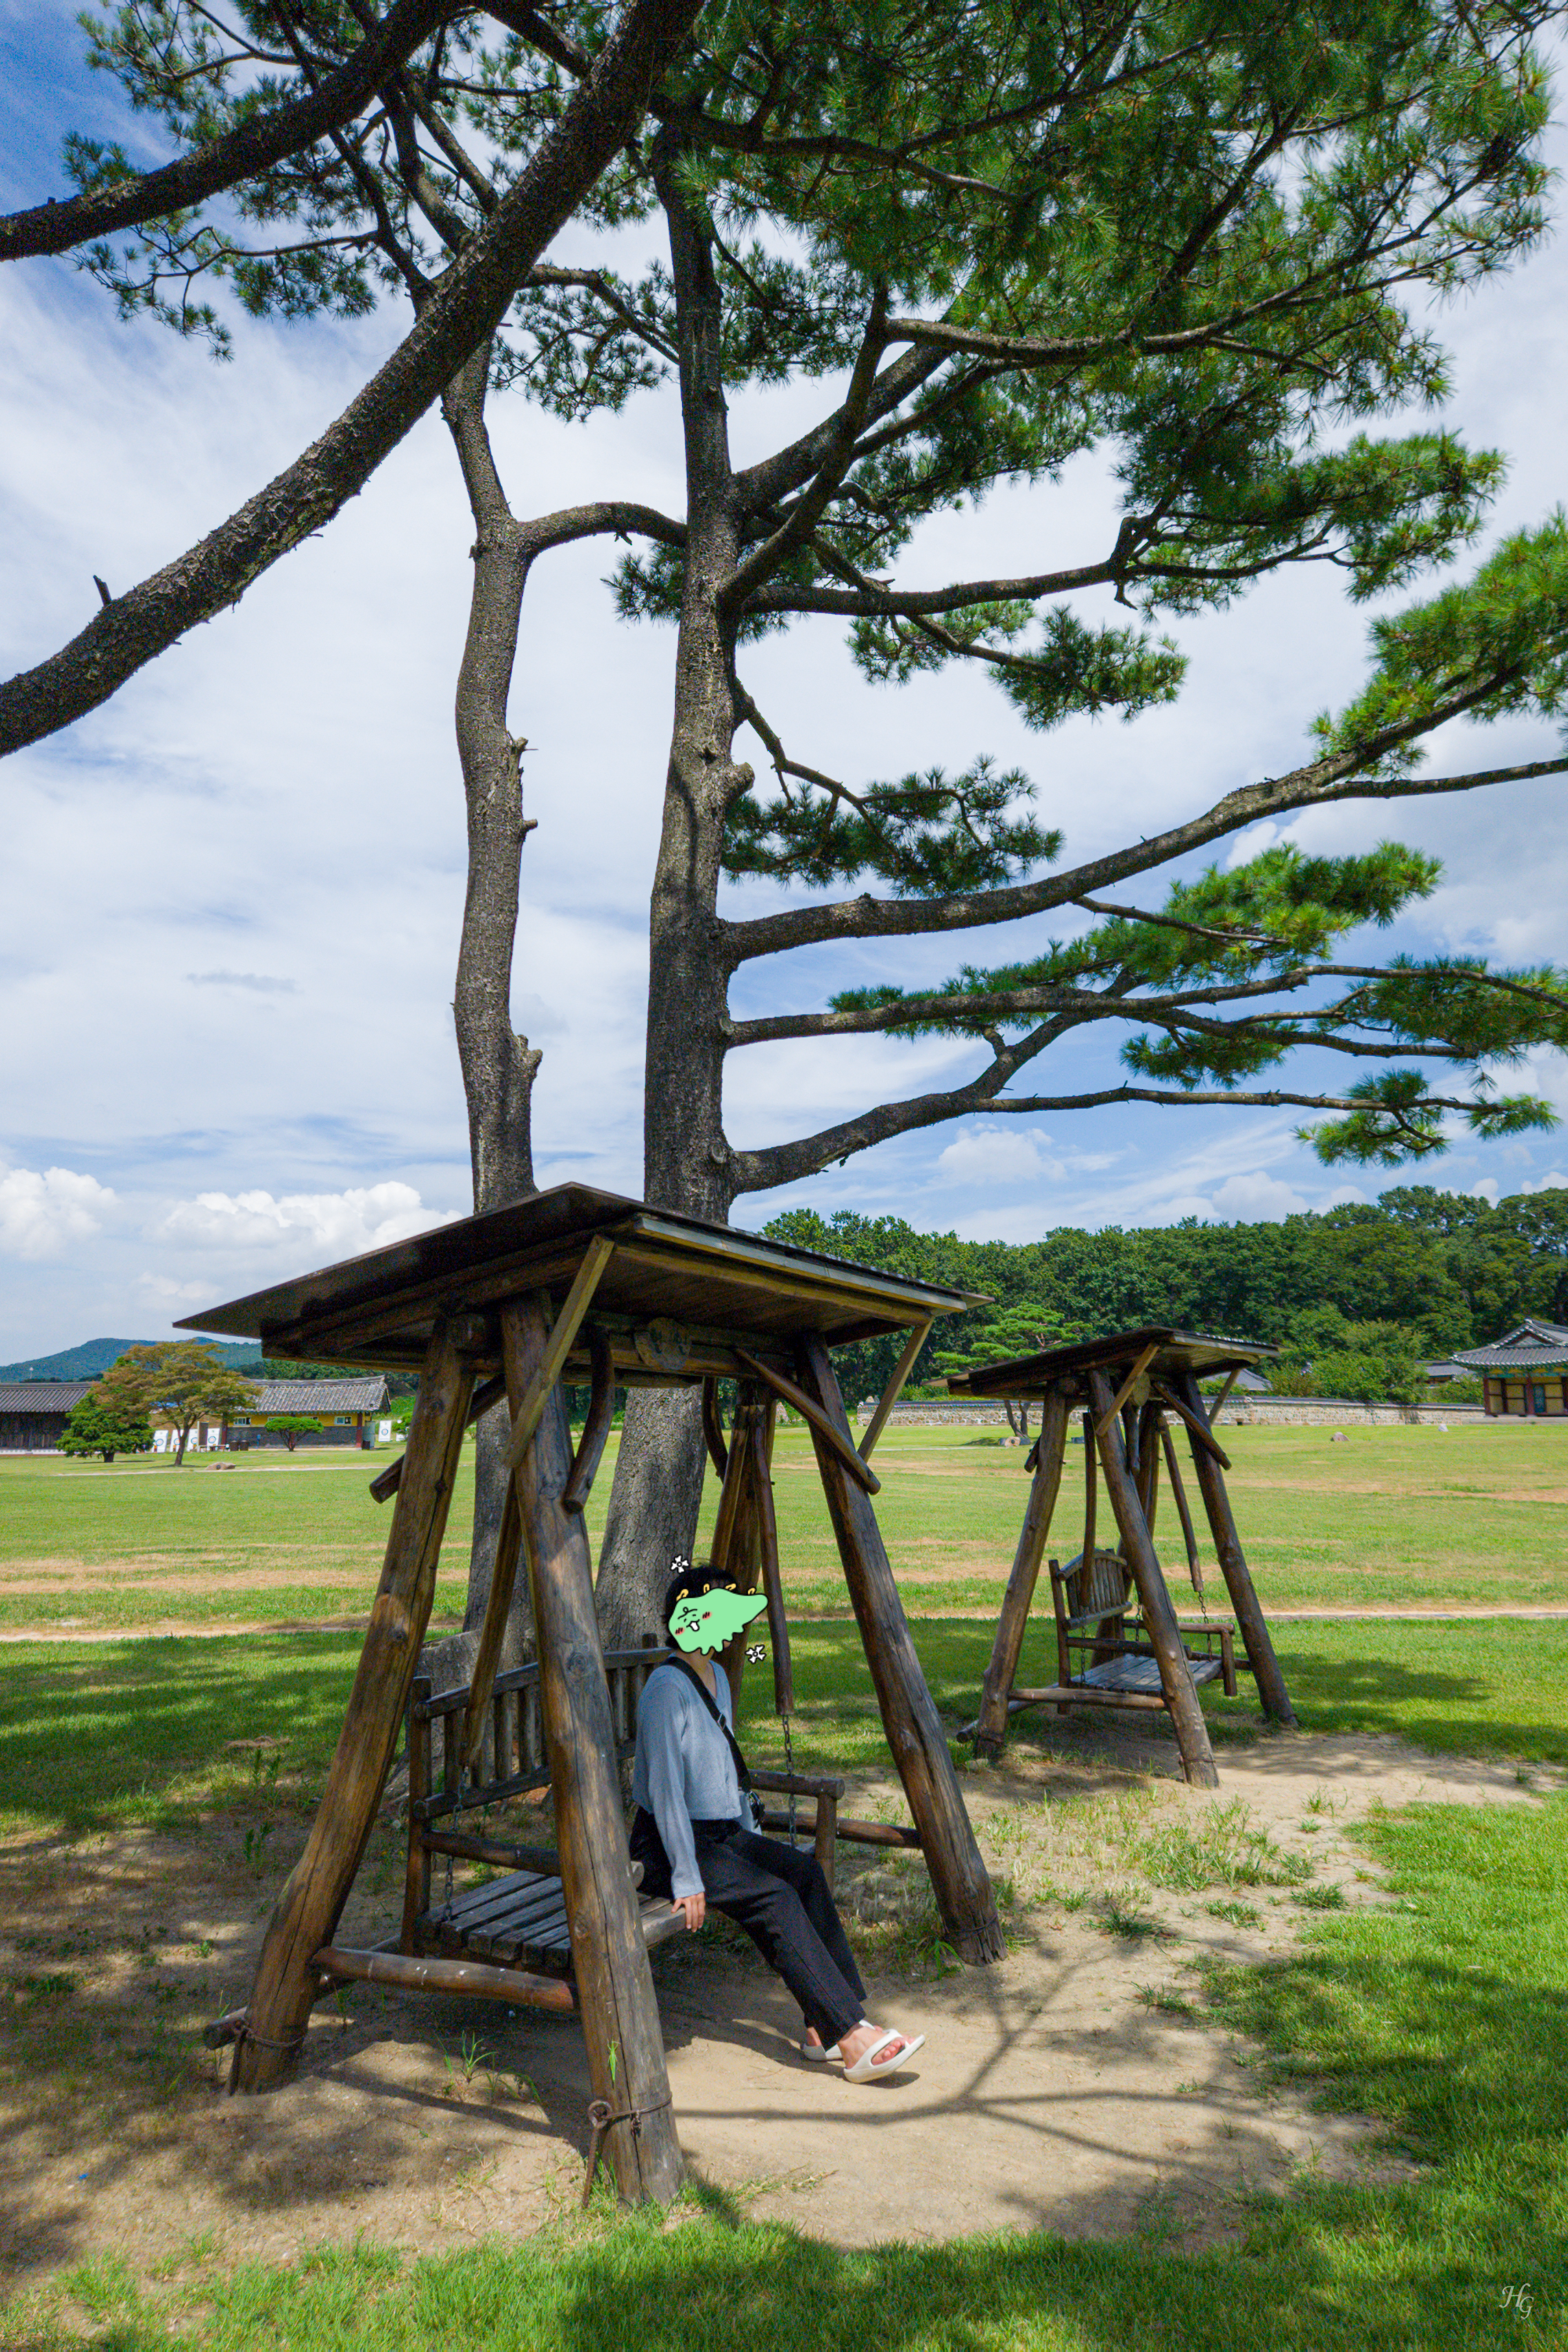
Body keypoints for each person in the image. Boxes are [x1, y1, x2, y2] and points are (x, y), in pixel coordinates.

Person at [630, 1559, 926, 2082]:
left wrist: (752, 1836)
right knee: (774, 1897)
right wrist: (686, 1876)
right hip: (665, 1848)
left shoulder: (716, 1675)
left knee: (803, 1874)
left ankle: (825, 2024)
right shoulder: (664, 1690)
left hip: (721, 1833)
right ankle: (853, 2038)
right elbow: (666, 1792)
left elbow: (723, 1769)